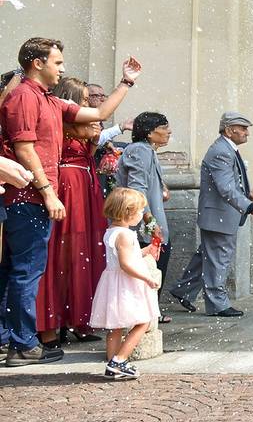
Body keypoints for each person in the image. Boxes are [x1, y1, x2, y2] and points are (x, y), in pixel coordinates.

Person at [0, 38, 142, 367]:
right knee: (26, 271)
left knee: (22, 270)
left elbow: (100, 112)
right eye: (57, 62)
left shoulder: (48, 99)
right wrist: (49, 192)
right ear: (37, 63)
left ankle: (18, 340)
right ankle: (22, 345)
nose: (62, 68)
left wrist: (126, 81)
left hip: (35, 194)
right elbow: (24, 150)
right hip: (28, 195)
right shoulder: (23, 97)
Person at [35, 77, 107, 346]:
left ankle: (78, 317)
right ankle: (52, 322)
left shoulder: (82, 126)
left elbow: (88, 150)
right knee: (65, 253)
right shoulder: (63, 121)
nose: (89, 104)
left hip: (84, 186)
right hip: (69, 187)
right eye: (85, 99)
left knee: (83, 253)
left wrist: (95, 139)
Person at [171, 112, 253, 317]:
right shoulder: (222, 151)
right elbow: (225, 188)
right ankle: (217, 304)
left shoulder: (226, 148)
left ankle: (183, 290)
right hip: (220, 216)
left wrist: (246, 191)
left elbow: (229, 181)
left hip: (218, 216)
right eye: (243, 128)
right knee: (218, 259)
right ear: (230, 130)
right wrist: (249, 206)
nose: (247, 132)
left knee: (207, 257)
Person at [88, 187, 161, 380]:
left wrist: (146, 251)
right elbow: (126, 264)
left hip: (113, 283)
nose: (141, 215)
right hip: (126, 284)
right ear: (127, 212)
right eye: (139, 211)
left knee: (115, 327)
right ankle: (120, 360)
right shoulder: (126, 235)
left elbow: (125, 256)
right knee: (143, 321)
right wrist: (147, 278)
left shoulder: (112, 231)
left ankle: (112, 364)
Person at [115, 112, 172, 322]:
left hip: (147, 222)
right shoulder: (140, 150)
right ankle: (144, 316)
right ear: (149, 132)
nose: (169, 132)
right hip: (141, 227)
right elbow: (136, 188)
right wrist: (150, 221)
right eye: (164, 127)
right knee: (149, 268)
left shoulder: (146, 150)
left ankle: (149, 314)